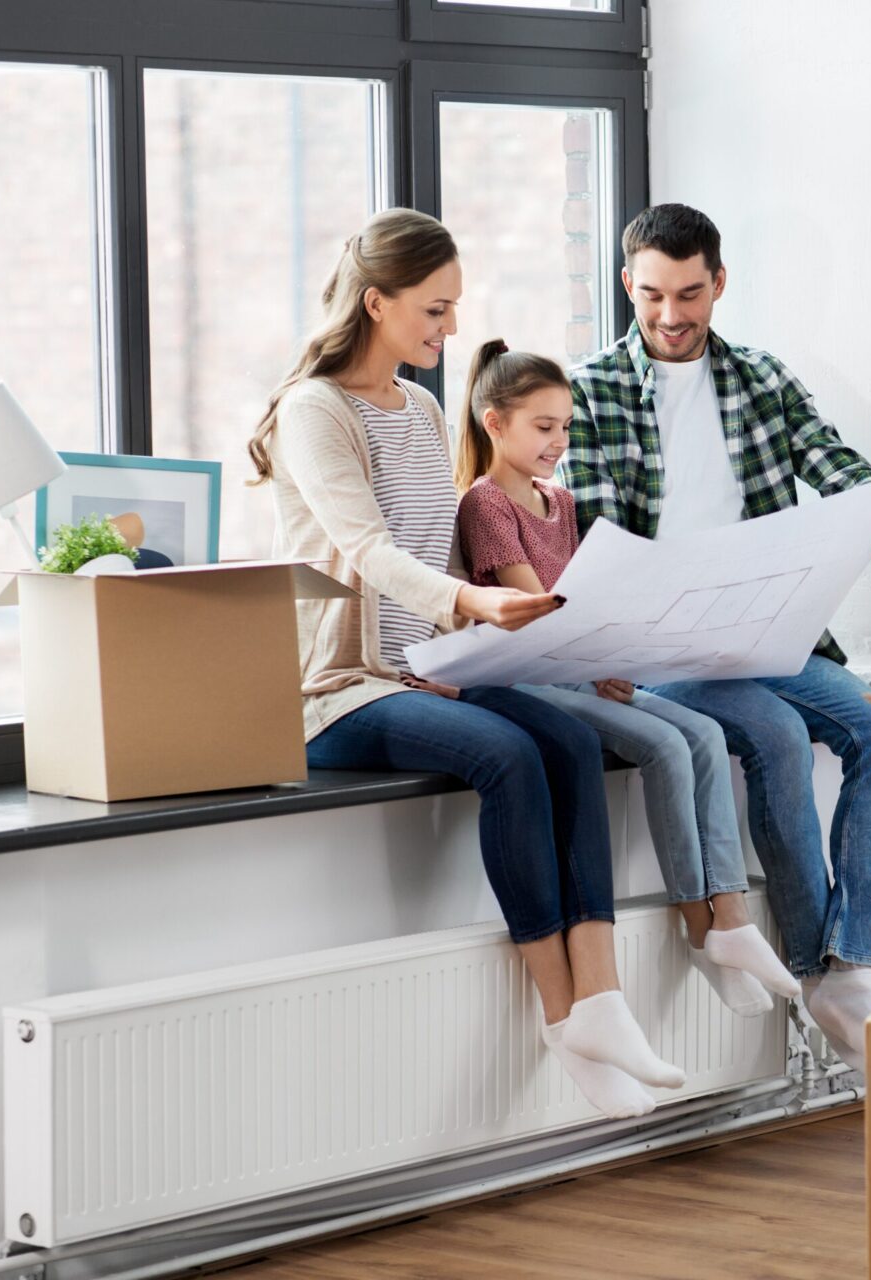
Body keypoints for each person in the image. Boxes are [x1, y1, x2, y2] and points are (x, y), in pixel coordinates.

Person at [246, 207, 683, 1120]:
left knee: (563, 740)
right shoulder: (314, 411)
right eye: (434, 312)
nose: (449, 332)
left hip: (426, 663)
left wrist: (486, 637)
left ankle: (603, 999)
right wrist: (473, 605)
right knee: (508, 756)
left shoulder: (420, 406)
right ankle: (562, 1015)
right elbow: (367, 550)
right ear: (377, 302)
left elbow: (434, 551)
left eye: (452, 311)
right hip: (341, 689)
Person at [560, 203, 871, 1073]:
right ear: (628, 285)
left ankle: (855, 963)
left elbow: (832, 461)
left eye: (690, 293)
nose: (670, 315)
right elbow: (595, 541)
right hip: (662, 647)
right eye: (652, 294)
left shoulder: (762, 377)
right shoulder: (590, 391)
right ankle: (813, 966)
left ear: (718, 283)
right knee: (771, 734)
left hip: (770, 633)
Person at [450, 340, 802, 1019]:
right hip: (534, 684)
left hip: (584, 669)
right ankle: (702, 932)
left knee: (700, 730)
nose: (559, 442)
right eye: (544, 427)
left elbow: (587, 599)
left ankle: (728, 914)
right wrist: (596, 649)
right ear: (495, 423)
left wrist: (614, 650)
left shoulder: (560, 500)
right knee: (667, 746)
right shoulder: (486, 505)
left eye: (566, 427)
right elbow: (539, 618)